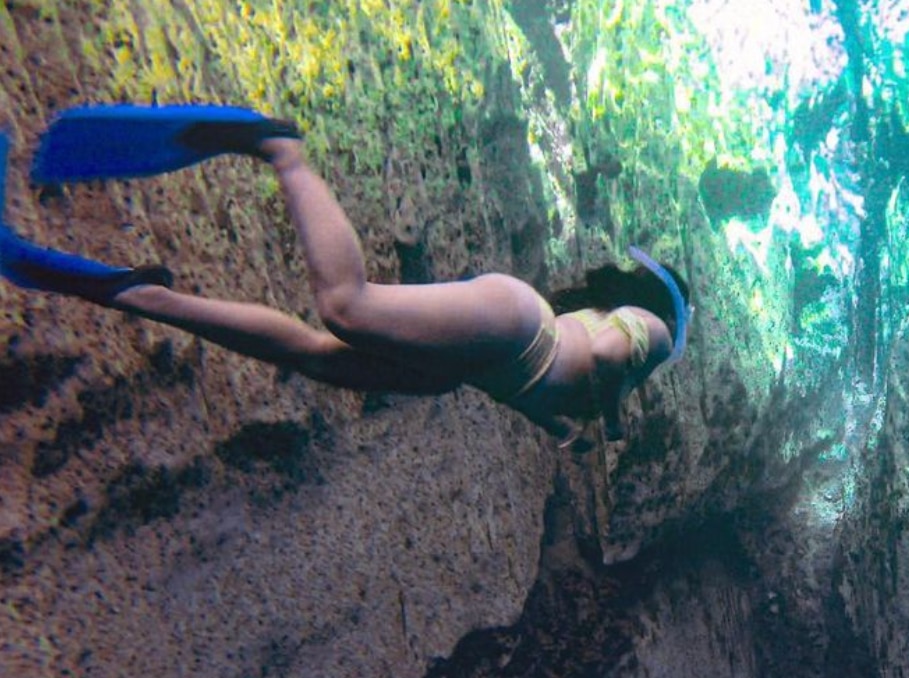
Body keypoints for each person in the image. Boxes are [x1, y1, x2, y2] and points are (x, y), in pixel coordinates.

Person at [0, 106, 691, 451]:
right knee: (345, 308)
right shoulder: (660, 331)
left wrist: (554, 424)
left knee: (313, 357)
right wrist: (613, 419)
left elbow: (555, 383)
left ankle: (131, 291)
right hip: (517, 330)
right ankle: (281, 148)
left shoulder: (616, 350)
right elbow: (601, 354)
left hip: (480, 366)